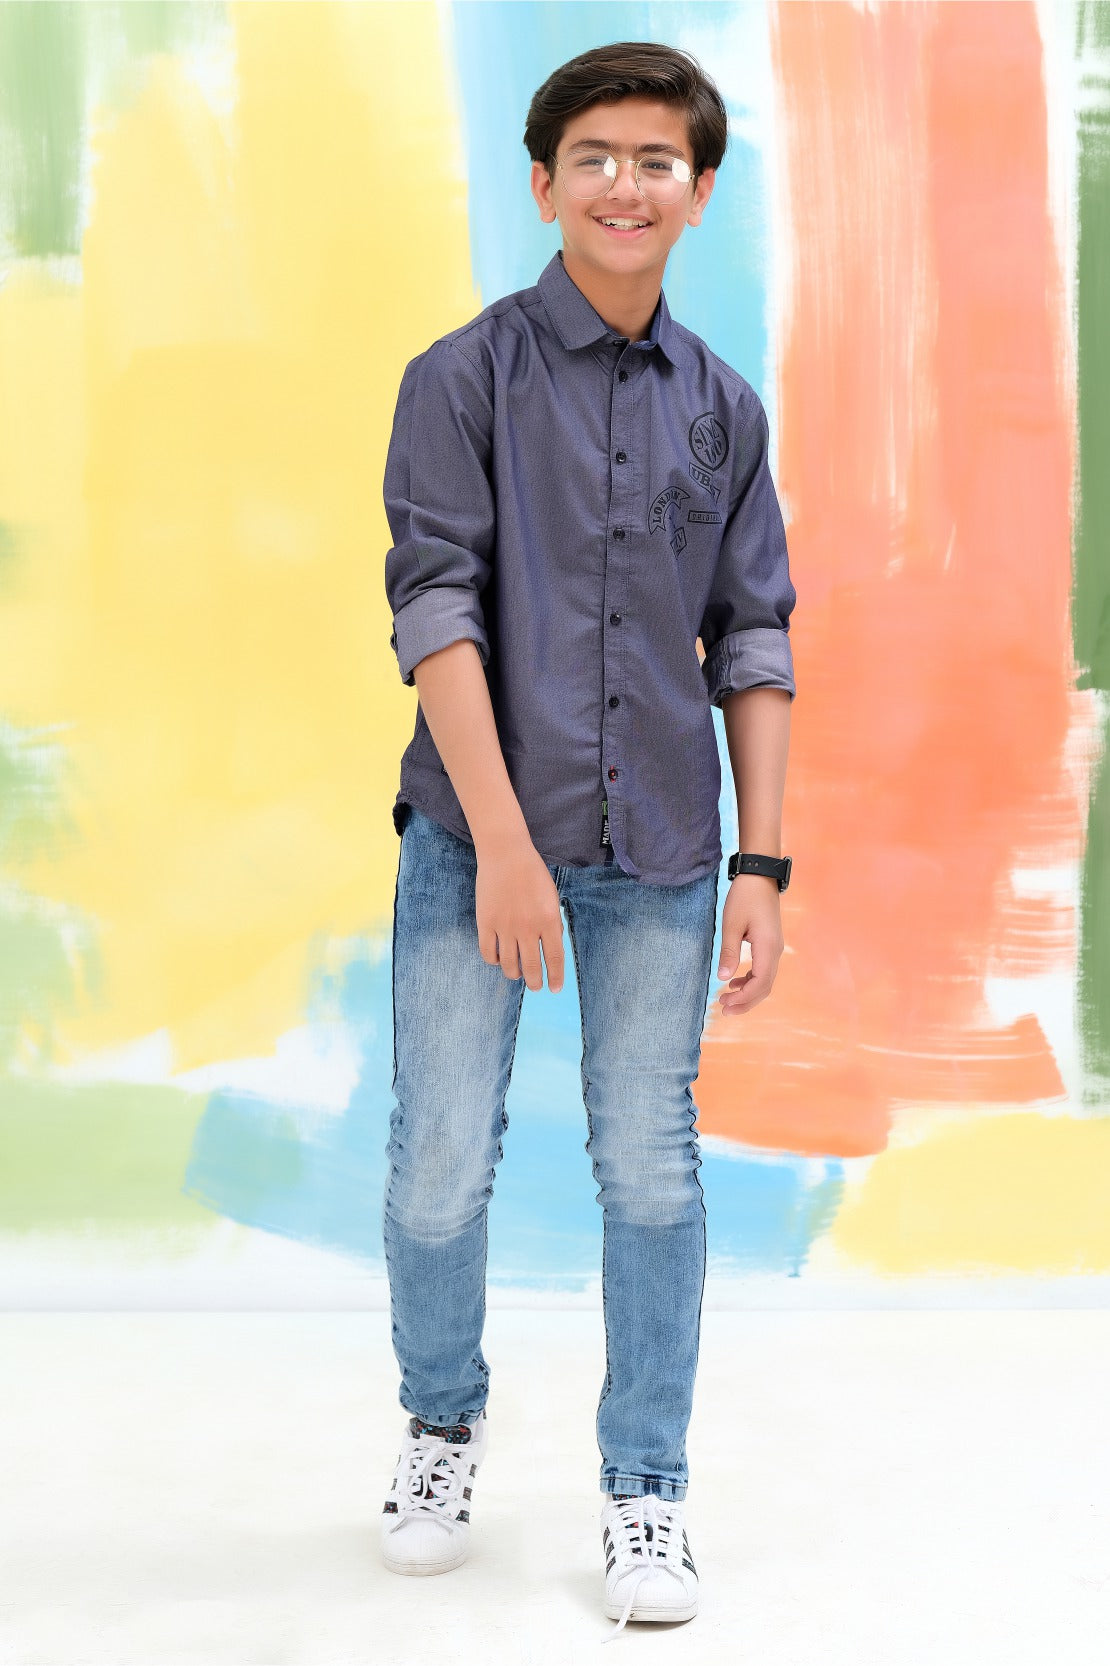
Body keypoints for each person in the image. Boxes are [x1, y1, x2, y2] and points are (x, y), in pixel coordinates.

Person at [378, 39, 797, 1635]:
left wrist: (762, 862)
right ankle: (438, 1419)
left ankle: (644, 1486)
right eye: (596, 158)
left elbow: (750, 636)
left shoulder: (724, 411)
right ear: (545, 184)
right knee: (437, 1160)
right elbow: (436, 610)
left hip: (665, 848)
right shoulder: (460, 378)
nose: (627, 184)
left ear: (698, 192)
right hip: (474, 831)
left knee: (648, 1160)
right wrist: (501, 843)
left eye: (656, 160)